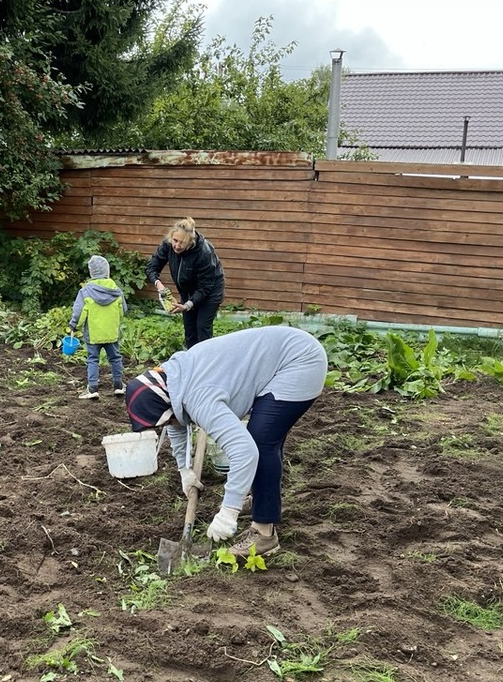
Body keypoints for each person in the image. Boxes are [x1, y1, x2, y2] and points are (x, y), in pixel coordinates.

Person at [125, 326, 327, 556]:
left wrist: (228, 512)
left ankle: (264, 535)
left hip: (300, 361)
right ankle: (260, 501)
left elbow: (245, 452)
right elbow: (176, 423)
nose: (168, 425)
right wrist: (184, 469)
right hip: (283, 355)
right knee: (263, 436)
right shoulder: (174, 379)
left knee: (260, 442)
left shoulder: (198, 398)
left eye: (165, 421)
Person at [145, 216, 225, 349]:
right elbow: (151, 267)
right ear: (171, 237)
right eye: (175, 240)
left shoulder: (204, 252)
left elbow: (205, 286)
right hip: (187, 290)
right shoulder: (168, 245)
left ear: (190, 242)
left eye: (182, 243)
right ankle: (192, 360)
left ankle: (206, 359)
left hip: (210, 291)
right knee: (189, 330)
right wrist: (159, 285)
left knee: (202, 328)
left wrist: (187, 305)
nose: (177, 246)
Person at [67, 254, 127, 400]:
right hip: (111, 333)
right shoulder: (116, 290)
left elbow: (79, 312)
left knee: (92, 359)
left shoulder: (86, 291)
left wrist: (73, 325)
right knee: (115, 358)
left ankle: (92, 388)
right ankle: (118, 386)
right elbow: (123, 311)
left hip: (93, 334)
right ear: (107, 271)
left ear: (91, 272)